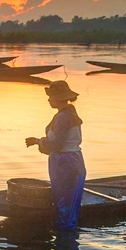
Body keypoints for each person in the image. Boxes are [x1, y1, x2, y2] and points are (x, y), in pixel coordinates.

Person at [26, 80, 86, 230]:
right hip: (74, 159)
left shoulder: (62, 117)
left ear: (58, 99)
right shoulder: (69, 112)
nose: (48, 100)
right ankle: (67, 232)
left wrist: (39, 142)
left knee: (63, 200)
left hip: (64, 162)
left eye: (51, 97)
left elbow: (57, 144)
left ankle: (64, 236)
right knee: (69, 200)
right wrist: (40, 142)